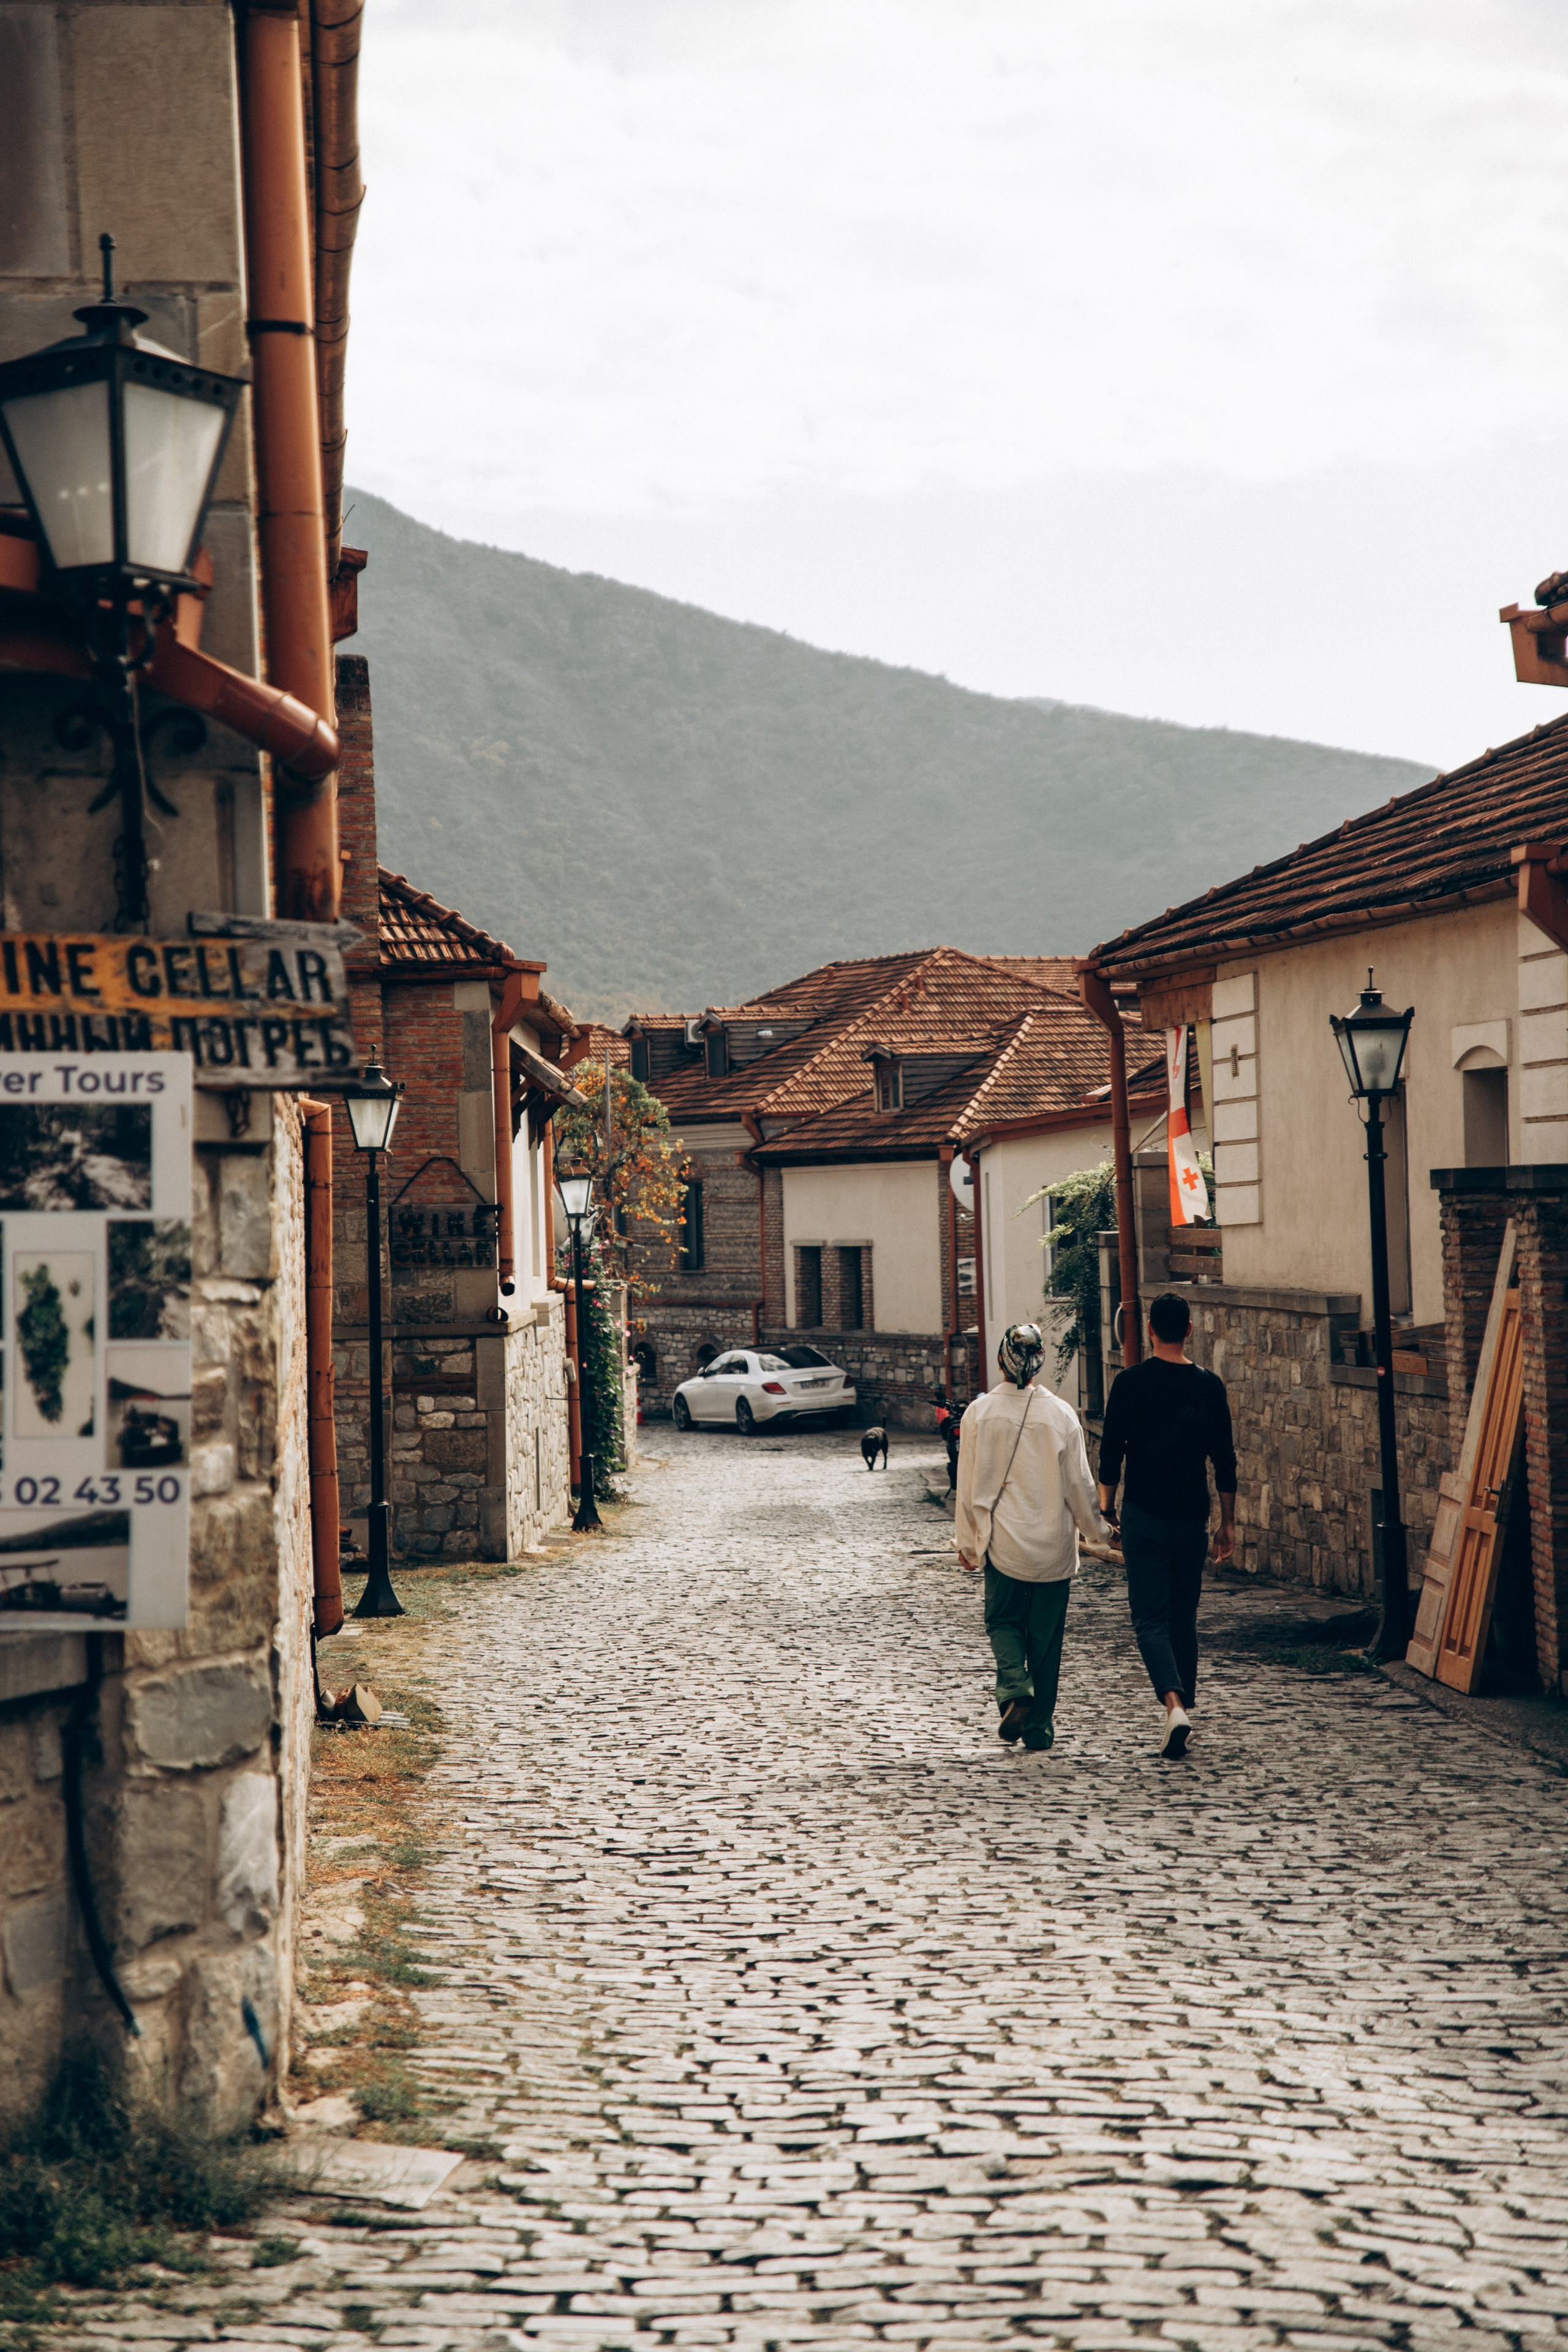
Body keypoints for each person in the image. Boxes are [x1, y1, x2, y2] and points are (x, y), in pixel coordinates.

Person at [1098, 1291, 1237, 1760]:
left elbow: (1111, 1450)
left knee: (1150, 1619)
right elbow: (1226, 1460)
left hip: (1144, 1516)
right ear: (1190, 1330)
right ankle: (1183, 1709)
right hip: (1191, 1517)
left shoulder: (1129, 1384)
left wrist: (1106, 1507)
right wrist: (1228, 1523)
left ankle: (1174, 1705)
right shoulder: (1209, 1386)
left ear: (1150, 1331)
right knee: (1183, 1618)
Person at [956, 1322, 1106, 1752]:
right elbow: (1080, 1486)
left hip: (1005, 1547)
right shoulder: (1060, 1415)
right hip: (1054, 1550)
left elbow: (967, 1489)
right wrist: (1099, 1533)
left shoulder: (979, 1415)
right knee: (1045, 1641)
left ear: (1002, 1358)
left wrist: (968, 1545)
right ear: (1040, 1360)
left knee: (1002, 1622)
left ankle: (1016, 1689)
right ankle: (1039, 1729)